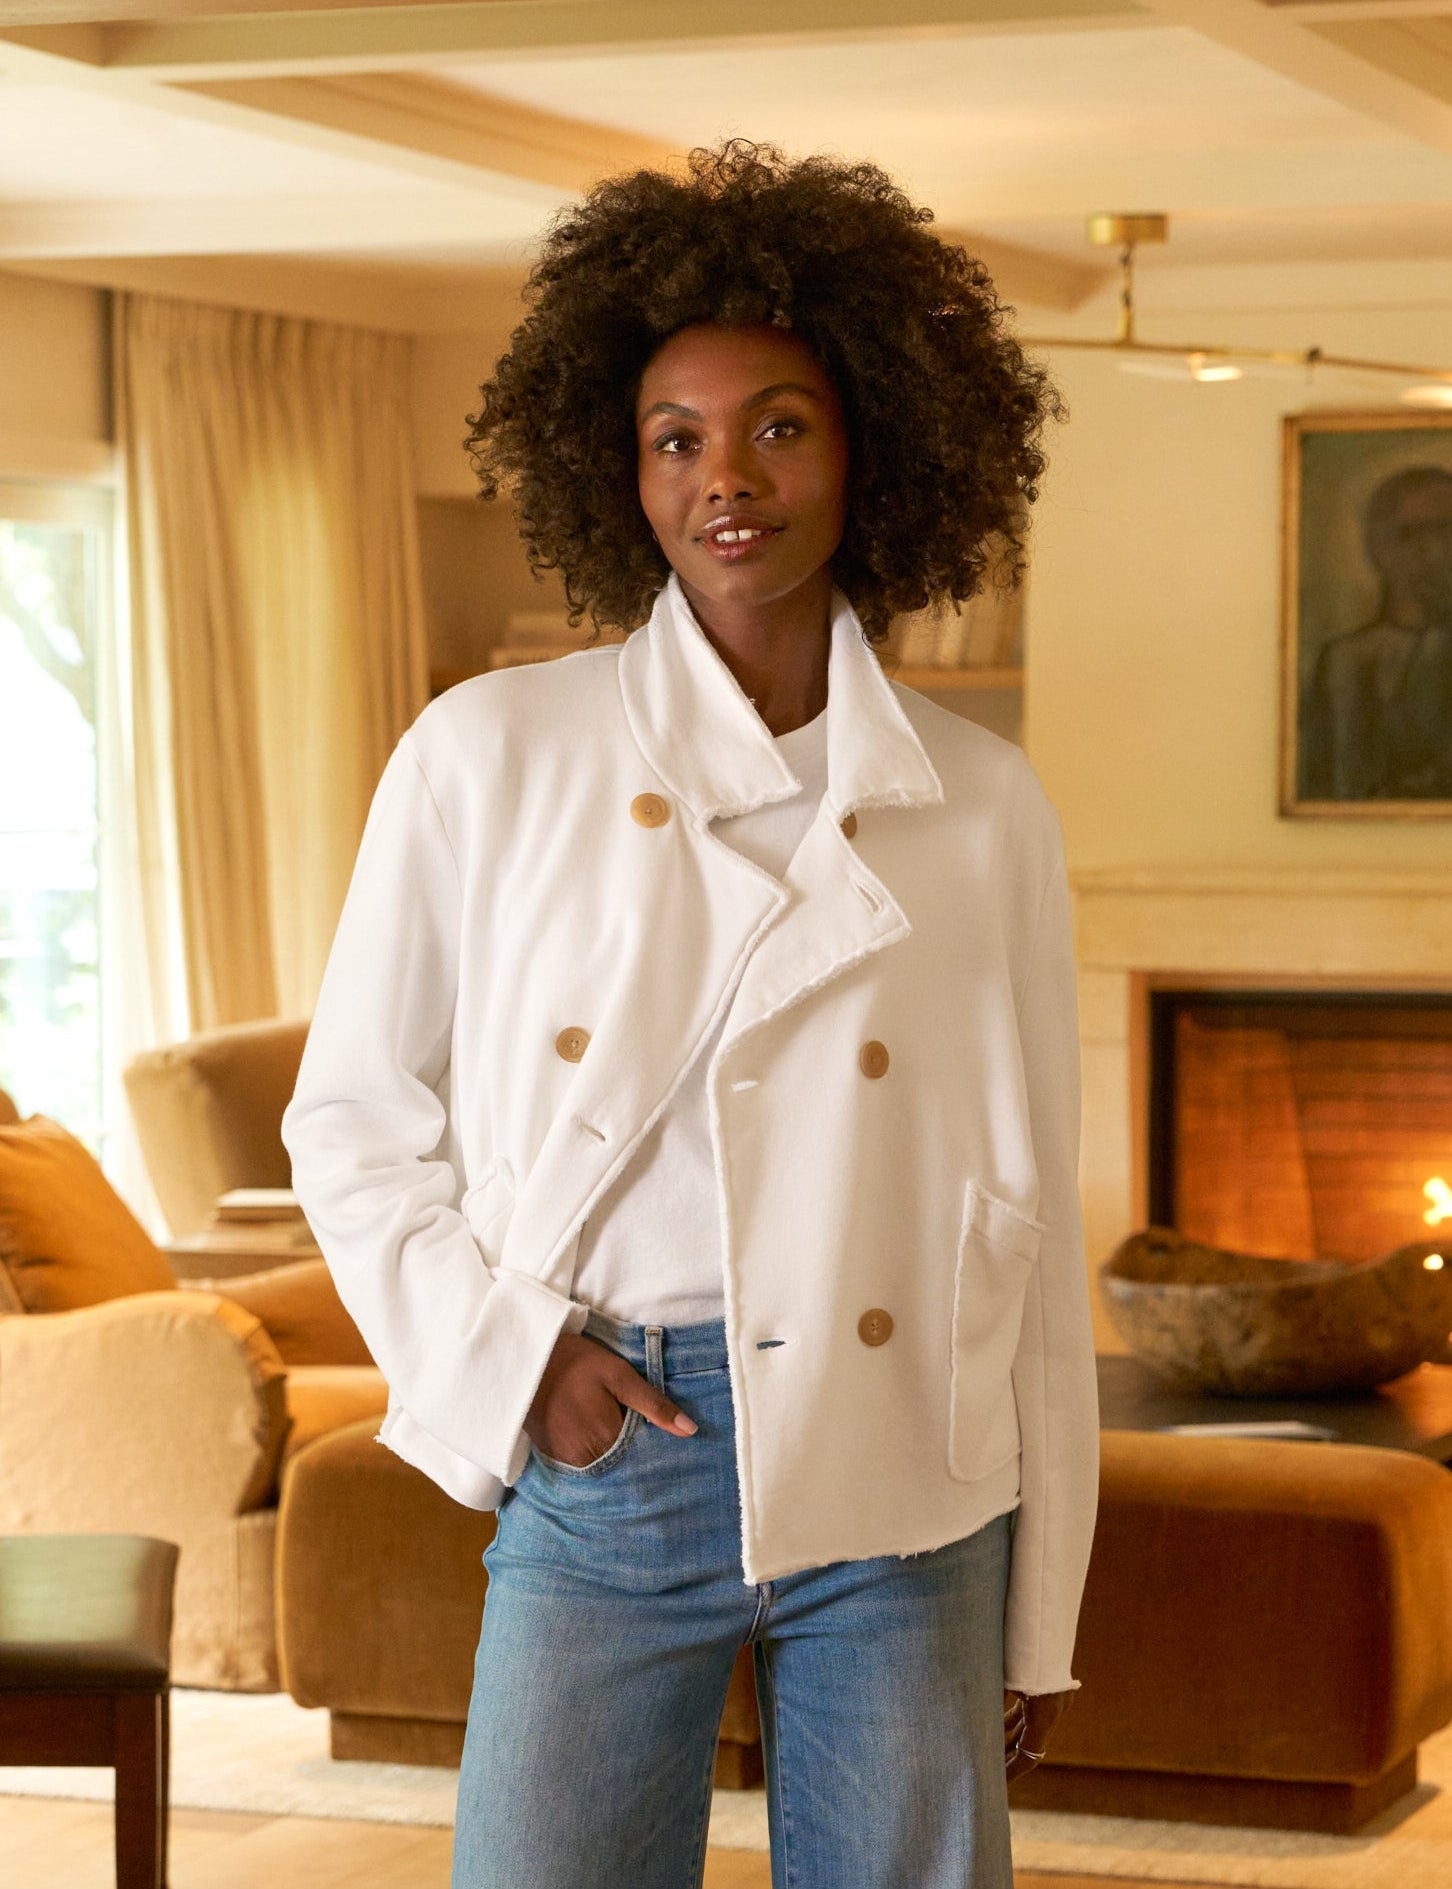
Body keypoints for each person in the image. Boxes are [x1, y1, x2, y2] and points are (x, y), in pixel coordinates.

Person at [283, 140, 1098, 1889]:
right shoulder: (488, 752)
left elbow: (1030, 1212)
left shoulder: (981, 802)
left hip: (906, 1464)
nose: (726, 476)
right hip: (609, 1436)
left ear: (873, 446)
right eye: (676, 437)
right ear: (621, 469)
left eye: (779, 426)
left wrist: (1041, 1611)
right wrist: (516, 1366)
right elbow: (348, 1119)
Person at [1299, 464, 1452, 801]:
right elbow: (1325, 785)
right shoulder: (1342, 662)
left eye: (1447, 532)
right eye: (1410, 535)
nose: (1435, 551)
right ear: (1378, 547)